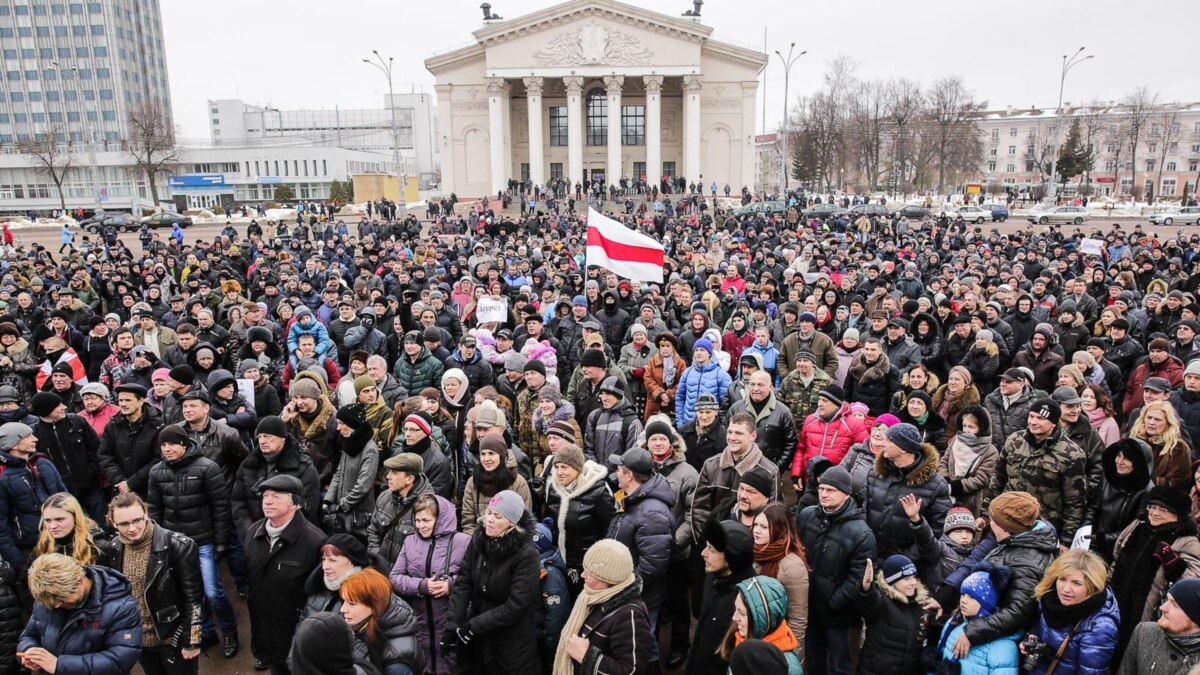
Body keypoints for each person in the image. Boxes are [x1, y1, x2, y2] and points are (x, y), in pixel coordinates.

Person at [146, 424, 239, 659]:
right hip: (174, 543)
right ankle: (206, 631)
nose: (167, 449)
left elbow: (221, 506)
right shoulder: (156, 472)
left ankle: (229, 632)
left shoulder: (208, 468)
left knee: (212, 592)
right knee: (191, 595)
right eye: (163, 445)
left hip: (204, 541)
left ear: (184, 444)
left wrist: (221, 542)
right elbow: (155, 510)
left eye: (171, 444)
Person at [103, 492, 205, 675]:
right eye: (124, 524)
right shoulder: (115, 547)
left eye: (137, 520)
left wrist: (193, 641)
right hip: (139, 640)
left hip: (173, 639)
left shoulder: (178, 545)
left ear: (146, 513)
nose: (132, 528)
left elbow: (195, 599)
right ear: (113, 523)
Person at [445, 489, 541, 675]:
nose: (489, 519)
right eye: (489, 512)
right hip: (479, 635)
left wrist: (474, 626)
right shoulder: (479, 540)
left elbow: (516, 605)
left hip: (511, 640)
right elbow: (464, 581)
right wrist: (453, 622)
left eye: (497, 516)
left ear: (512, 522)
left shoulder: (527, 555)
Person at [795, 465, 876, 675]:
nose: (823, 494)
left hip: (837, 615)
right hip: (809, 606)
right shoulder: (806, 515)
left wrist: (834, 603)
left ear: (846, 493)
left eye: (830, 490)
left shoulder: (861, 533)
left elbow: (857, 576)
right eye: (821, 489)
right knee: (814, 659)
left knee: (840, 664)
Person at [243, 474, 327, 674]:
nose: (268, 501)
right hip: (265, 629)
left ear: (295, 504)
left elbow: (321, 596)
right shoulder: (254, 533)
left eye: (276, 496)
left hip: (297, 634)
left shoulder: (315, 541)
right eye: (265, 496)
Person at [1109, 486, 1200, 658]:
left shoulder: (1187, 541)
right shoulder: (1137, 526)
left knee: (1133, 655)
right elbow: (1116, 558)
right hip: (1115, 603)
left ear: (1177, 514)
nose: (1155, 513)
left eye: (1163, 510)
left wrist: (1172, 562)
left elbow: (1189, 584)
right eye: (1153, 507)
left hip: (1149, 613)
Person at [18, 552, 142, 675]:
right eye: (50, 602)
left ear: (81, 582)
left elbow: (119, 660)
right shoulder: (48, 599)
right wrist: (29, 651)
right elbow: (29, 635)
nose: (56, 605)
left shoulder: (121, 606)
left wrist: (59, 665)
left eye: (62, 598)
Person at [990, 399, 1087, 550]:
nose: (1033, 422)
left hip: (1041, 528)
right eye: (1031, 416)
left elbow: (1074, 503)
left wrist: (1066, 541)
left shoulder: (1071, 454)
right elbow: (998, 480)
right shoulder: (1014, 440)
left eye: (1041, 418)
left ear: (1054, 422)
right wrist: (985, 515)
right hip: (1005, 521)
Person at [390, 494, 470, 675]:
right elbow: (395, 577)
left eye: (426, 520)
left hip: (450, 619)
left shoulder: (462, 541)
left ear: (440, 519)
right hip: (420, 619)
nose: (420, 525)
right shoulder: (410, 541)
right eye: (417, 520)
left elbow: (472, 577)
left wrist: (450, 585)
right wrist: (422, 585)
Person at [551, 538, 652, 675]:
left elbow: (631, 671)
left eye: (589, 572)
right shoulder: (592, 595)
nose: (582, 575)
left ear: (607, 578)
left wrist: (587, 656)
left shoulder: (630, 615)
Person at [1023, 549, 1120, 675]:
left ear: (1092, 585)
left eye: (1076, 583)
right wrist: (1030, 640)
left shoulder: (1100, 626)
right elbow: (1036, 629)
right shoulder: (1049, 599)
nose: (1066, 589)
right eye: (1062, 579)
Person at [231, 415, 322, 541]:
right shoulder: (249, 465)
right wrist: (250, 532)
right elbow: (238, 502)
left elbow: (307, 507)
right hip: (254, 537)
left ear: (282, 439)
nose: (262, 441)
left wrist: (281, 534)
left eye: (268, 437)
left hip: (292, 539)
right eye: (260, 436)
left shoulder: (303, 466)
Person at [542, 442, 616, 592]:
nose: (559, 472)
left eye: (565, 467)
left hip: (587, 565)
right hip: (559, 561)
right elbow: (549, 522)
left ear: (577, 468)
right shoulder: (554, 489)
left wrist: (598, 566)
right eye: (556, 467)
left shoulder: (598, 492)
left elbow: (609, 532)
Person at [687, 520, 757, 675]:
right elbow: (701, 630)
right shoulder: (713, 578)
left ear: (732, 556)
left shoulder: (747, 598)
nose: (703, 553)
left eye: (711, 549)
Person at [0, 421, 67, 571]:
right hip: (31, 550)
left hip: (63, 540)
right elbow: (1, 527)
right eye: (28, 436)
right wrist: (19, 564)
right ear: (14, 444)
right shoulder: (4, 478)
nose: (35, 439)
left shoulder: (45, 464)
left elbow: (67, 500)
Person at [931, 564, 1020, 675]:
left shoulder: (1002, 646)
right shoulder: (954, 623)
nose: (963, 600)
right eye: (963, 594)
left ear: (987, 602)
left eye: (972, 597)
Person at [338, 568, 424, 675]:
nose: (343, 609)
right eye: (344, 601)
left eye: (351, 603)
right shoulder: (361, 628)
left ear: (375, 605)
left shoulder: (397, 658)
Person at [856, 555, 932, 675]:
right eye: (906, 579)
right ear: (892, 582)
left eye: (914, 577)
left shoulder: (921, 605)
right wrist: (866, 588)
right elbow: (869, 602)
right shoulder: (882, 602)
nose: (913, 583)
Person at [718, 575, 803, 675]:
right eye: (735, 609)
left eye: (742, 613)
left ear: (762, 620)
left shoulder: (791, 668)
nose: (734, 618)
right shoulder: (740, 640)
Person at [751, 503, 808, 649]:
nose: (756, 531)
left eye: (764, 527)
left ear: (779, 529)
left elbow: (798, 619)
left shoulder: (792, 567)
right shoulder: (755, 552)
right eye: (755, 524)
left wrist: (792, 653)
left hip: (778, 643)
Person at [1086, 438, 1154, 561]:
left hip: (1120, 551)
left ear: (1139, 463)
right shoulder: (1108, 477)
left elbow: (1136, 529)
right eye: (1118, 456)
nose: (1120, 462)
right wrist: (1084, 532)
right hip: (1094, 541)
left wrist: (1104, 538)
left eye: (1127, 458)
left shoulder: (1147, 491)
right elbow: (1093, 507)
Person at [1116, 577, 1200, 674]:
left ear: (1195, 619)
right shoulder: (1144, 633)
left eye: (1175, 605)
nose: (1162, 607)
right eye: (1167, 600)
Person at [323, 404, 380, 536]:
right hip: (343, 514)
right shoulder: (348, 443)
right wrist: (328, 499)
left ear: (353, 423)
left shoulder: (369, 449)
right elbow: (339, 473)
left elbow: (363, 485)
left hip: (358, 518)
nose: (338, 428)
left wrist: (342, 505)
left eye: (342, 423)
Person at [461, 435, 532, 536]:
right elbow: (468, 522)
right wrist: (479, 543)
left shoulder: (518, 483)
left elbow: (523, 522)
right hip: (479, 543)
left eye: (491, 453)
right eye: (483, 454)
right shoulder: (472, 482)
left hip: (510, 543)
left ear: (501, 455)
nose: (486, 459)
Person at [1129, 401, 1193, 490]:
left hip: (1156, 498)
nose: (1151, 422)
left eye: (1157, 419)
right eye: (1149, 417)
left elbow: (1179, 482)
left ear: (1167, 423)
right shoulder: (1133, 439)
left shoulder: (1178, 447)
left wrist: (1148, 482)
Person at [34, 492, 108, 566]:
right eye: (48, 520)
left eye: (59, 519)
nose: (52, 526)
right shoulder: (42, 545)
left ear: (75, 517)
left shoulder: (97, 546)